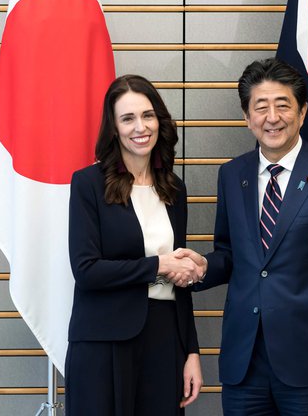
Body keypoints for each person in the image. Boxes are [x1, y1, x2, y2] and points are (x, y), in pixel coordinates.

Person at [186, 58, 308, 415]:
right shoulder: (231, 174)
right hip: (245, 360)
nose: (272, 117)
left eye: (283, 104)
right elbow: (230, 251)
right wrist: (200, 268)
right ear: (247, 117)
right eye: (261, 107)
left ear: (302, 112)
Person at [66, 74, 205, 415]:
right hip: (103, 342)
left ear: (159, 120)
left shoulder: (173, 188)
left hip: (164, 338)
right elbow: (86, 271)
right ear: (113, 128)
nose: (140, 127)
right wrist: (159, 265)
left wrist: (191, 352)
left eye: (147, 115)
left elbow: (180, 280)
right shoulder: (88, 184)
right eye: (127, 118)